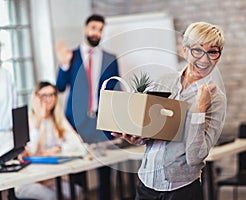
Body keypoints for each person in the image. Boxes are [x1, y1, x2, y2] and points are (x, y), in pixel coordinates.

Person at [112, 21, 226, 200]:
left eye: (212, 51)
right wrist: (138, 137)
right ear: (184, 51)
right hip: (146, 183)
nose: (204, 59)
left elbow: (195, 158)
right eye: (197, 50)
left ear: (218, 56)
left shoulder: (216, 99)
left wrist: (199, 109)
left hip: (181, 190)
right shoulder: (164, 81)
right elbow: (153, 131)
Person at [55, 14, 120, 200]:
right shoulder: (71, 56)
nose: (96, 33)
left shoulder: (111, 58)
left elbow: (117, 90)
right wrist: (64, 64)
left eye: (100, 30)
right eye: (93, 28)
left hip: (102, 121)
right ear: (85, 29)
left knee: (105, 171)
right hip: (76, 122)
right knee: (78, 172)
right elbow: (59, 86)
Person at [15, 81, 85, 200]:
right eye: (44, 95)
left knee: (77, 192)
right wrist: (39, 119)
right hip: (28, 181)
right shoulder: (27, 120)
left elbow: (78, 143)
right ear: (35, 97)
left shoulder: (57, 119)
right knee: (52, 197)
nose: (49, 99)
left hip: (49, 179)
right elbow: (29, 150)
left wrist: (58, 148)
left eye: (52, 95)